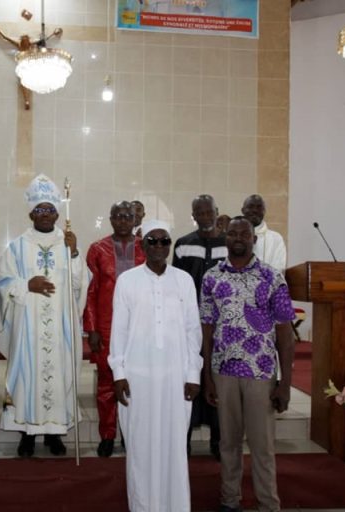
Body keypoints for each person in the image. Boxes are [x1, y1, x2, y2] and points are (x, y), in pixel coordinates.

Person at [200, 216, 296, 512]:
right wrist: (207, 376)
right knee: (228, 445)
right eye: (232, 233)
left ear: (254, 239)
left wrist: (286, 383)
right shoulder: (212, 277)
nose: (238, 237)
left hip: (261, 372)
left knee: (262, 447)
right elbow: (206, 328)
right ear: (224, 238)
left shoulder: (271, 277)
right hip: (224, 371)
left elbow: (285, 333)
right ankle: (230, 501)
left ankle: (268, 504)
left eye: (244, 233)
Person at [110, 219, 203, 512]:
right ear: (143, 244)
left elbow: (192, 330)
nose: (159, 246)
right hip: (137, 376)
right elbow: (119, 331)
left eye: (165, 241)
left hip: (176, 376)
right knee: (140, 448)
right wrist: (119, 373)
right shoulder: (128, 280)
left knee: (174, 447)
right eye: (153, 241)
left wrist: (193, 373)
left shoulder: (184, 280)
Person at [0, 174, 89, 457]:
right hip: (28, 328)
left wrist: (73, 255)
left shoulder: (68, 242)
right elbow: (2, 281)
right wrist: (27, 284)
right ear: (31, 212)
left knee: (58, 375)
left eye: (50, 209)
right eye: (40, 210)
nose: (45, 215)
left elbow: (79, 284)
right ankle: (26, 433)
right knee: (27, 377)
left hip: (60, 328)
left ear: (58, 213)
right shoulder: (17, 247)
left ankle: (54, 433)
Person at [83, 201, 145, 457]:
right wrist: (92, 329)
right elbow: (90, 291)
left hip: (140, 328)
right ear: (110, 219)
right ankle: (107, 435)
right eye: (117, 216)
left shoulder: (146, 247)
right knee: (107, 384)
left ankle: (132, 435)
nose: (122, 221)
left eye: (127, 216)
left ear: (136, 219)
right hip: (107, 327)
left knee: (137, 384)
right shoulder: (98, 249)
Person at [172, 194, 227, 460]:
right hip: (190, 326)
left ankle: (218, 441)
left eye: (209, 212)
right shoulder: (183, 245)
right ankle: (184, 441)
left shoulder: (230, 244)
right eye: (199, 213)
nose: (205, 217)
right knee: (189, 379)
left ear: (217, 212)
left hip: (222, 328)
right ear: (193, 215)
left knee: (217, 379)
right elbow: (174, 286)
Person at [241, 194, 286, 272]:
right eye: (251, 206)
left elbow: (279, 269)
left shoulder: (276, 238)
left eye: (259, 207)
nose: (255, 210)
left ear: (264, 211)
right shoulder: (234, 237)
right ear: (243, 210)